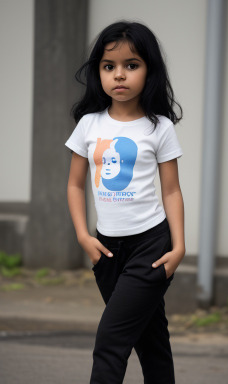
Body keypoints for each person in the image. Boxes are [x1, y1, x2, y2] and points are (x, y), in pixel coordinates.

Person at [65, 20, 185, 384]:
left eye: (131, 65)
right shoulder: (89, 125)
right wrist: (84, 237)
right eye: (109, 66)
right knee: (151, 341)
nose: (119, 75)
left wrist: (179, 247)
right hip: (106, 249)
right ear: (98, 72)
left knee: (111, 340)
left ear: (149, 71)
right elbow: (74, 185)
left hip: (150, 246)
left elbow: (171, 191)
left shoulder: (159, 126)